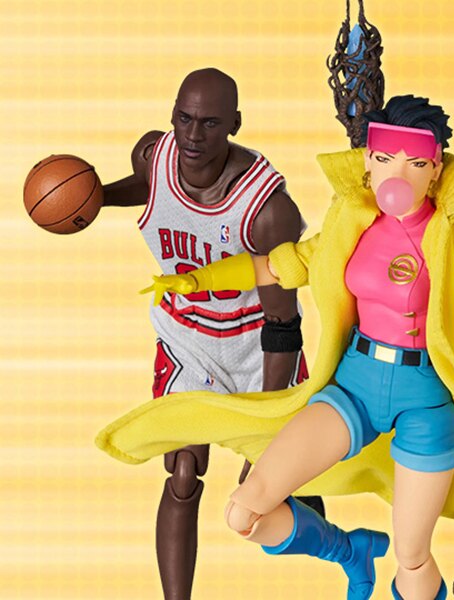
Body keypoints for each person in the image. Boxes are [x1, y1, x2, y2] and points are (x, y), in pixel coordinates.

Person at [98, 95, 454, 600]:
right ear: (368, 162)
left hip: (424, 401)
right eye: (386, 158)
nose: (399, 173)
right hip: (354, 387)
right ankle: (347, 551)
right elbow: (283, 264)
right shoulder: (351, 222)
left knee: (412, 557)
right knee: (244, 512)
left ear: (435, 169)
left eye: (416, 163)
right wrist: (195, 280)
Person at [99, 67, 321, 600]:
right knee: (182, 470)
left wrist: (265, 423)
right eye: (184, 119)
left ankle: (342, 546)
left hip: (254, 344)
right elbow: (149, 188)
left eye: (210, 123)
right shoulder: (154, 156)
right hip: (188, 338)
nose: (193, 135)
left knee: (276, 490)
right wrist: (95, 197)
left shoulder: (267, 210)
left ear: (235, 124)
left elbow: (283, 323)